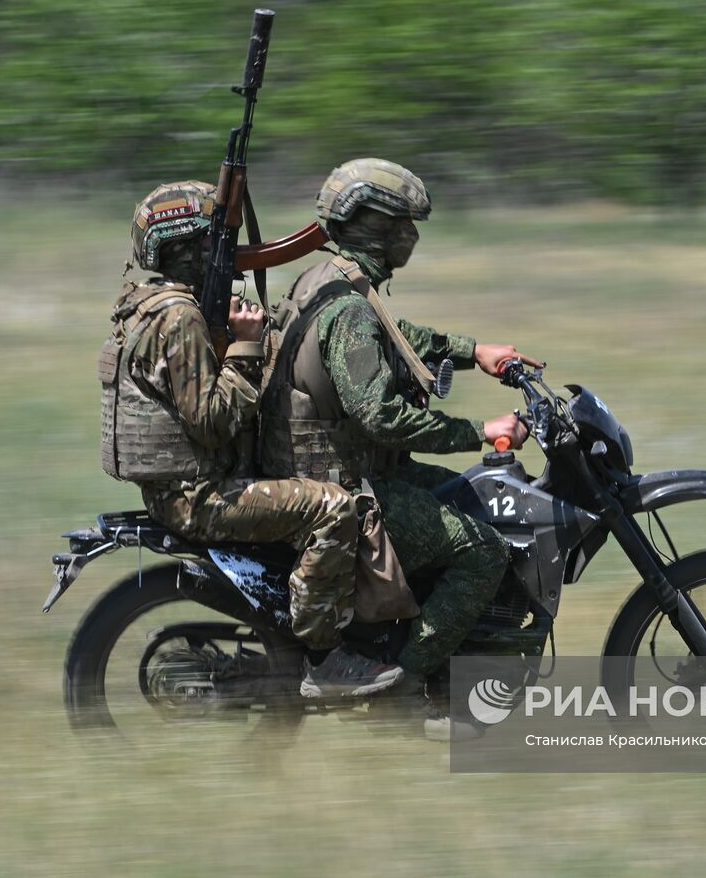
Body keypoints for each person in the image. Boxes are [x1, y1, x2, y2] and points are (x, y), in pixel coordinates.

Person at [260, 159, 537, 736]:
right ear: (373, 226)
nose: (412, 236)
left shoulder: (330, 279)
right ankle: (407, 687)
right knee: (482, 550)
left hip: (338, 468)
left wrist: (475, 350)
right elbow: (383, 418)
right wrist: (481, 432)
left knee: (465, 497)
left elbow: (398, 334)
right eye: (403, 223)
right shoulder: (349, 309)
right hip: (345, 483)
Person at [100, 180, 403, 699]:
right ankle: (324, 657)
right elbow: (213, 422)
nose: (227, 252)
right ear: (184, 248)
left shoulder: (145, 305)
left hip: (182, 487)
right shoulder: (181, 318)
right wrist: (245, 346)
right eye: (212, 243)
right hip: (197, 499)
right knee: (332, 507)